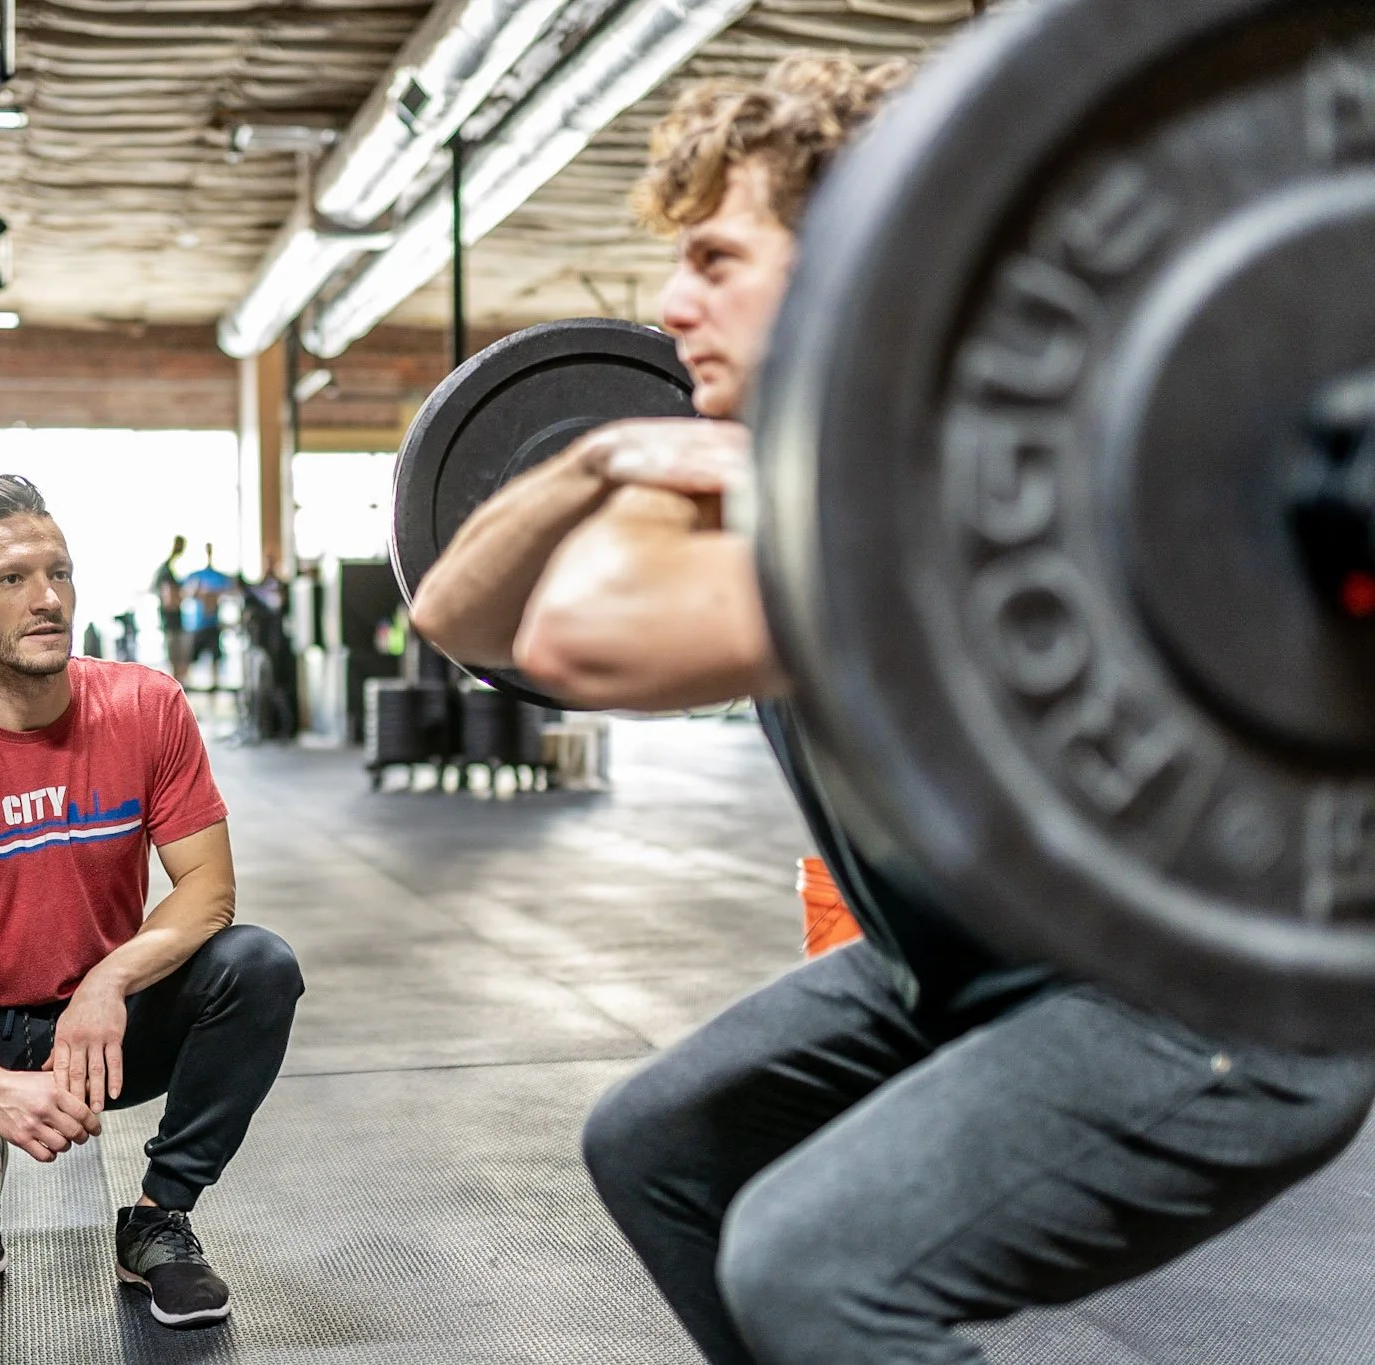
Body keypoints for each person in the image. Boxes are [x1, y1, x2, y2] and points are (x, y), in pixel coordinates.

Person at [410, 54, 1375, 1365]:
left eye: (715, 263)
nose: (665, 303)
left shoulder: (938, 492)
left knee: (813, 1266)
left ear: (853, 259)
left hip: (1202, 1019)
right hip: (978, 959)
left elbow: (581, 640)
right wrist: (599, 449)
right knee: (660, 1146)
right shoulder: (781, 465)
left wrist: (689, 458)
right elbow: (455, 621)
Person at [0, 475, 304, 1329]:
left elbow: (208, 889)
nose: (48, 598)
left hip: (105, 1025)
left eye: (60, 572)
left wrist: (108, 980)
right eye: (11, 579)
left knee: (259, 965)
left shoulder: (145, 706)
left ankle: (159, 1218)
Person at [182, 544, 236, 692]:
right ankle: (186, 688)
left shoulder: (219, 577)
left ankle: (215, 686)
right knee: (190, 658)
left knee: (215, 658)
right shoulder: (195, 576)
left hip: (213, 624)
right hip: (198, 624)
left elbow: (231, 590)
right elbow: (185, 592)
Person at [152, 535, 189, 684]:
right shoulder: (166, 572)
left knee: (178, 663)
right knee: (176, 663)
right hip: (171, 623)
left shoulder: (166, 570)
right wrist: (183, 595)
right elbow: (170, 601)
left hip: (173, 623)